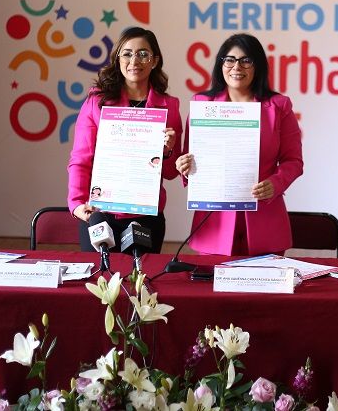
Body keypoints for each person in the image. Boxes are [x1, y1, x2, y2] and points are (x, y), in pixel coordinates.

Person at [175, 33, 303, 255]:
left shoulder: (279, 106)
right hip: (215, 221)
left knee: (265, 278)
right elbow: (190, 158)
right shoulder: (202, 104)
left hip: (265, 216)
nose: (237, 67)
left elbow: (294, 161)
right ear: (221, 64)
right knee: (211, 278)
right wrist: (183, 166)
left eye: (246, 60)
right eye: (230, 60)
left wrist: (276, 183)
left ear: (258, 66)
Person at [68, 26, 182, 254]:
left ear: (154, 61)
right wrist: (76, 203)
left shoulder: (169, 106)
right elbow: (81, 158)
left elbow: (171, 172)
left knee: (141, 277)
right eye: (127, 54)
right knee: (99, 275)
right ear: (118, 59)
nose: (134, 61)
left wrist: (167, 151)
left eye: (143, 54)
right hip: (100, 212)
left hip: (146, 216)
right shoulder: (97, 102)